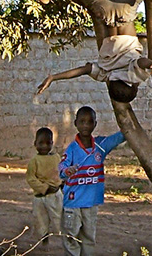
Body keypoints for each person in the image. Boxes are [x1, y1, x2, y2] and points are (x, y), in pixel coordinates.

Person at [59, 106, 125, 255]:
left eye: (89, 122)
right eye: (82, 122)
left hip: (91, 203)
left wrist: (127, 121)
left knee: (89, 237)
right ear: (75, 123)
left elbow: (120, 136)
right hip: (73, 202)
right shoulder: (72, 149)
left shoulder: (100, 147)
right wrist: (67, 171)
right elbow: (61, 168)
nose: (85, 126)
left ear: (95, 124)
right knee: (71, 237)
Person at [25, 127, 63, 246]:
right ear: (35, 144)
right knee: (41, 220)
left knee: (59, 217)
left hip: (55, 195)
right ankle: (44, 238)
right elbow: (31, 178)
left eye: (48, 143)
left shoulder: (56, 158)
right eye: (41, 143)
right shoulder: (34, 161)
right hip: (40, 197)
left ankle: (64, 237)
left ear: (52, 143)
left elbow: (60, 172)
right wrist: (44, 188)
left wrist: (61, 184)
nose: (44, 146)